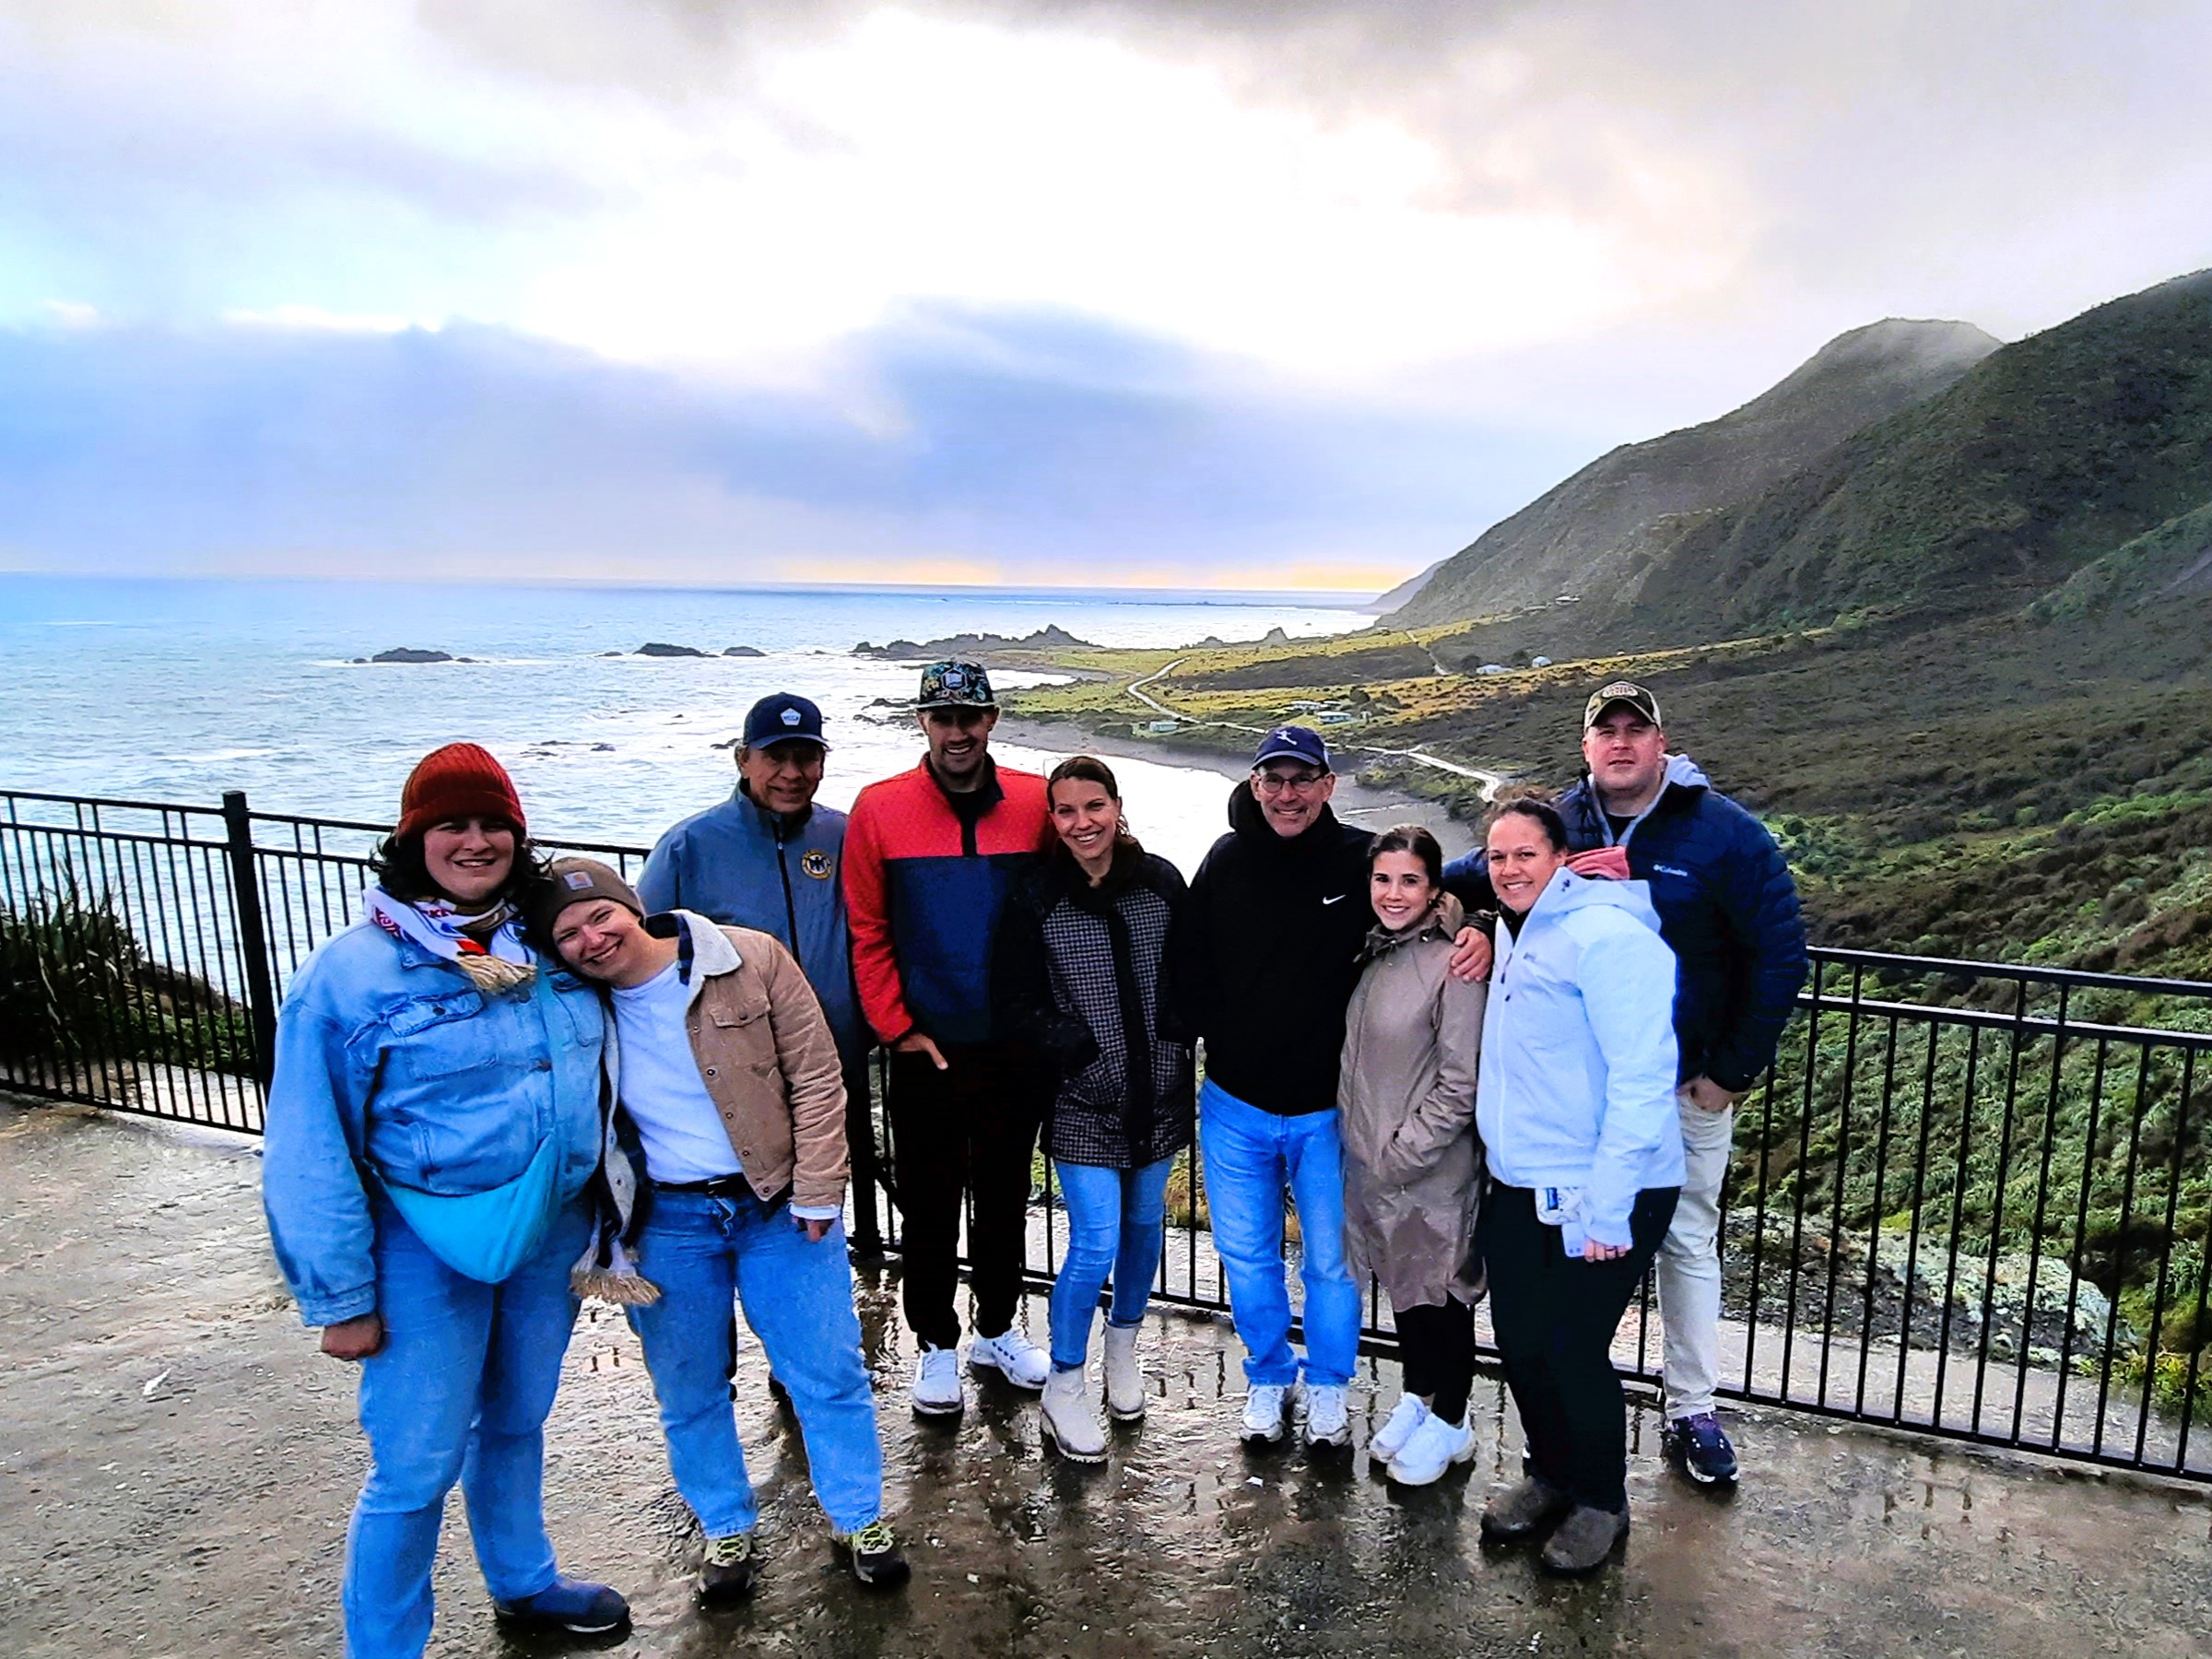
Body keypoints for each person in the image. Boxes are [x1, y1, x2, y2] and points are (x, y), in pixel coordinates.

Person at [261, 744, 628, 1659]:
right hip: (422, 1245)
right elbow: (309, 1146)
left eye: (491, 823)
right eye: (450, 826)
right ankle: (383, 1648)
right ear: (410, 839)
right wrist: (340, 1298)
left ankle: (524, 1581)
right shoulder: (350, 977)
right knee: (415, 1463)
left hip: (546, 1235)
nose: (475, 842)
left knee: (513, 1422)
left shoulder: (549, 947)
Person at [1445, 680, 1806, 1485]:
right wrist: (1463, 917)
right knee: (1569, 1289)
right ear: (1585, 747)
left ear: (1660, 742)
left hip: (1680, 1085)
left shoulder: (1726, 835)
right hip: (1580, 1110)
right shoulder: (1560, 823)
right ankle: (1570, 1432)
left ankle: (1690, 1408)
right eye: (1603, 731)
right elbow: (1488, 876)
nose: (1618, 743)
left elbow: (1779, 957)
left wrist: (1729, 1072)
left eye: (1633, 731)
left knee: (1683, 1241)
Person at [538, 859, 909, 1596]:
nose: (591, 939)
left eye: (600, 917)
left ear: (631, 906)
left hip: (776, 1205)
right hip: (667, 1220)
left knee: (826, 1372)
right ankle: (727, 1528)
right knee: (688, 1387)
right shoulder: (572, 1004)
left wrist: (818, 1191)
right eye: (568, 934)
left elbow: (815, 1073)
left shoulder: (748, 957)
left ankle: (857, 1515)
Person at [1473, 796, 1685, 1575]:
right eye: (1497, 857)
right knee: (1523, 1345)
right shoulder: (1512, 927)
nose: (1509, 869)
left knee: (1571, 1348)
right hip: (1522, 1181)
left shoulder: (1609, 937)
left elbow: (1641, 1077)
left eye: (1526, 854)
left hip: (1606, 1188)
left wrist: (1609, 1202)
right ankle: (1550, 1475)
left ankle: (1601, 1501)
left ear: (1562, 857)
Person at [843, 659, 1056, 1416]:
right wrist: (895, 1029)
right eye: (942, 718)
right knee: (929, 1205)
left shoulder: (1035, 803)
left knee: (1004, 1197)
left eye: (970, 717)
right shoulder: (879, 808)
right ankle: (934, 1343)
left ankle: (995, 1329)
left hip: (1014, 1043)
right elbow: (866, 928)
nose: (957, 731)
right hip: (926, 1046)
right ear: (923, 723)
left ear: (991, 719)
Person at [993, 757, 1195, 1463]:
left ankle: (1123, 1353)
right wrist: (1074, 1049)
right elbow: (1015, 997)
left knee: (1145, 1230)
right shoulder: (1037, 894)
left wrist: (1175, 1038)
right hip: (1082, 1099)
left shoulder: (1162, 882)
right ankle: (1066, 1383)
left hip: (1161, 1091)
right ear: (1052, 819)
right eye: (1066, 811)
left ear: (1117, 806)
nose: (1082, 823)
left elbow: (1193, 971)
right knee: (1094, 1243)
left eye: (1093, 806)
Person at [1178, 724, 1370, 1449]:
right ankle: (1266, 1377)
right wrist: (1215, 1028)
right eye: (1273, 780)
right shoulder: (1225, 860)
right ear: (1255, 787)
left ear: (1327, 786)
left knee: (1329, 1262)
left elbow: (1427, 888)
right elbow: (1190, 956)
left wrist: (1472, 917)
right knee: (1248, 1258)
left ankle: (1327, 1387)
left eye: (1301, 780)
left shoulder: (1360, 859)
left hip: (1328, 1112)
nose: (1287, 795)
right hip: (1235, 1105)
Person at [637, 693, 877, 1246]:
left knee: (828, 1216)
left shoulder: (844, 835)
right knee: (748, 1219)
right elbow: (642, 959)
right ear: (743, 759)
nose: (792, 774)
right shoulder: (688, 845)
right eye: (776, 757)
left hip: (838, 1066)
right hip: (739, 1081)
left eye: (806, 757)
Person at [1337, 825, 1488, 1486]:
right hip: (1380, 1165)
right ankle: (1419, 1395)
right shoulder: (1378, 951)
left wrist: (1403, 1154)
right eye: (1382, 879)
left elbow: (1462, 1081)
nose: (1393, 893)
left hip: (1429, 1170)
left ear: (1434, 890)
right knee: (1407, 1292)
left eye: (1409, 881)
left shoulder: (1454, 962)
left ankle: (1453, 1421)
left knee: (1443, 1296)